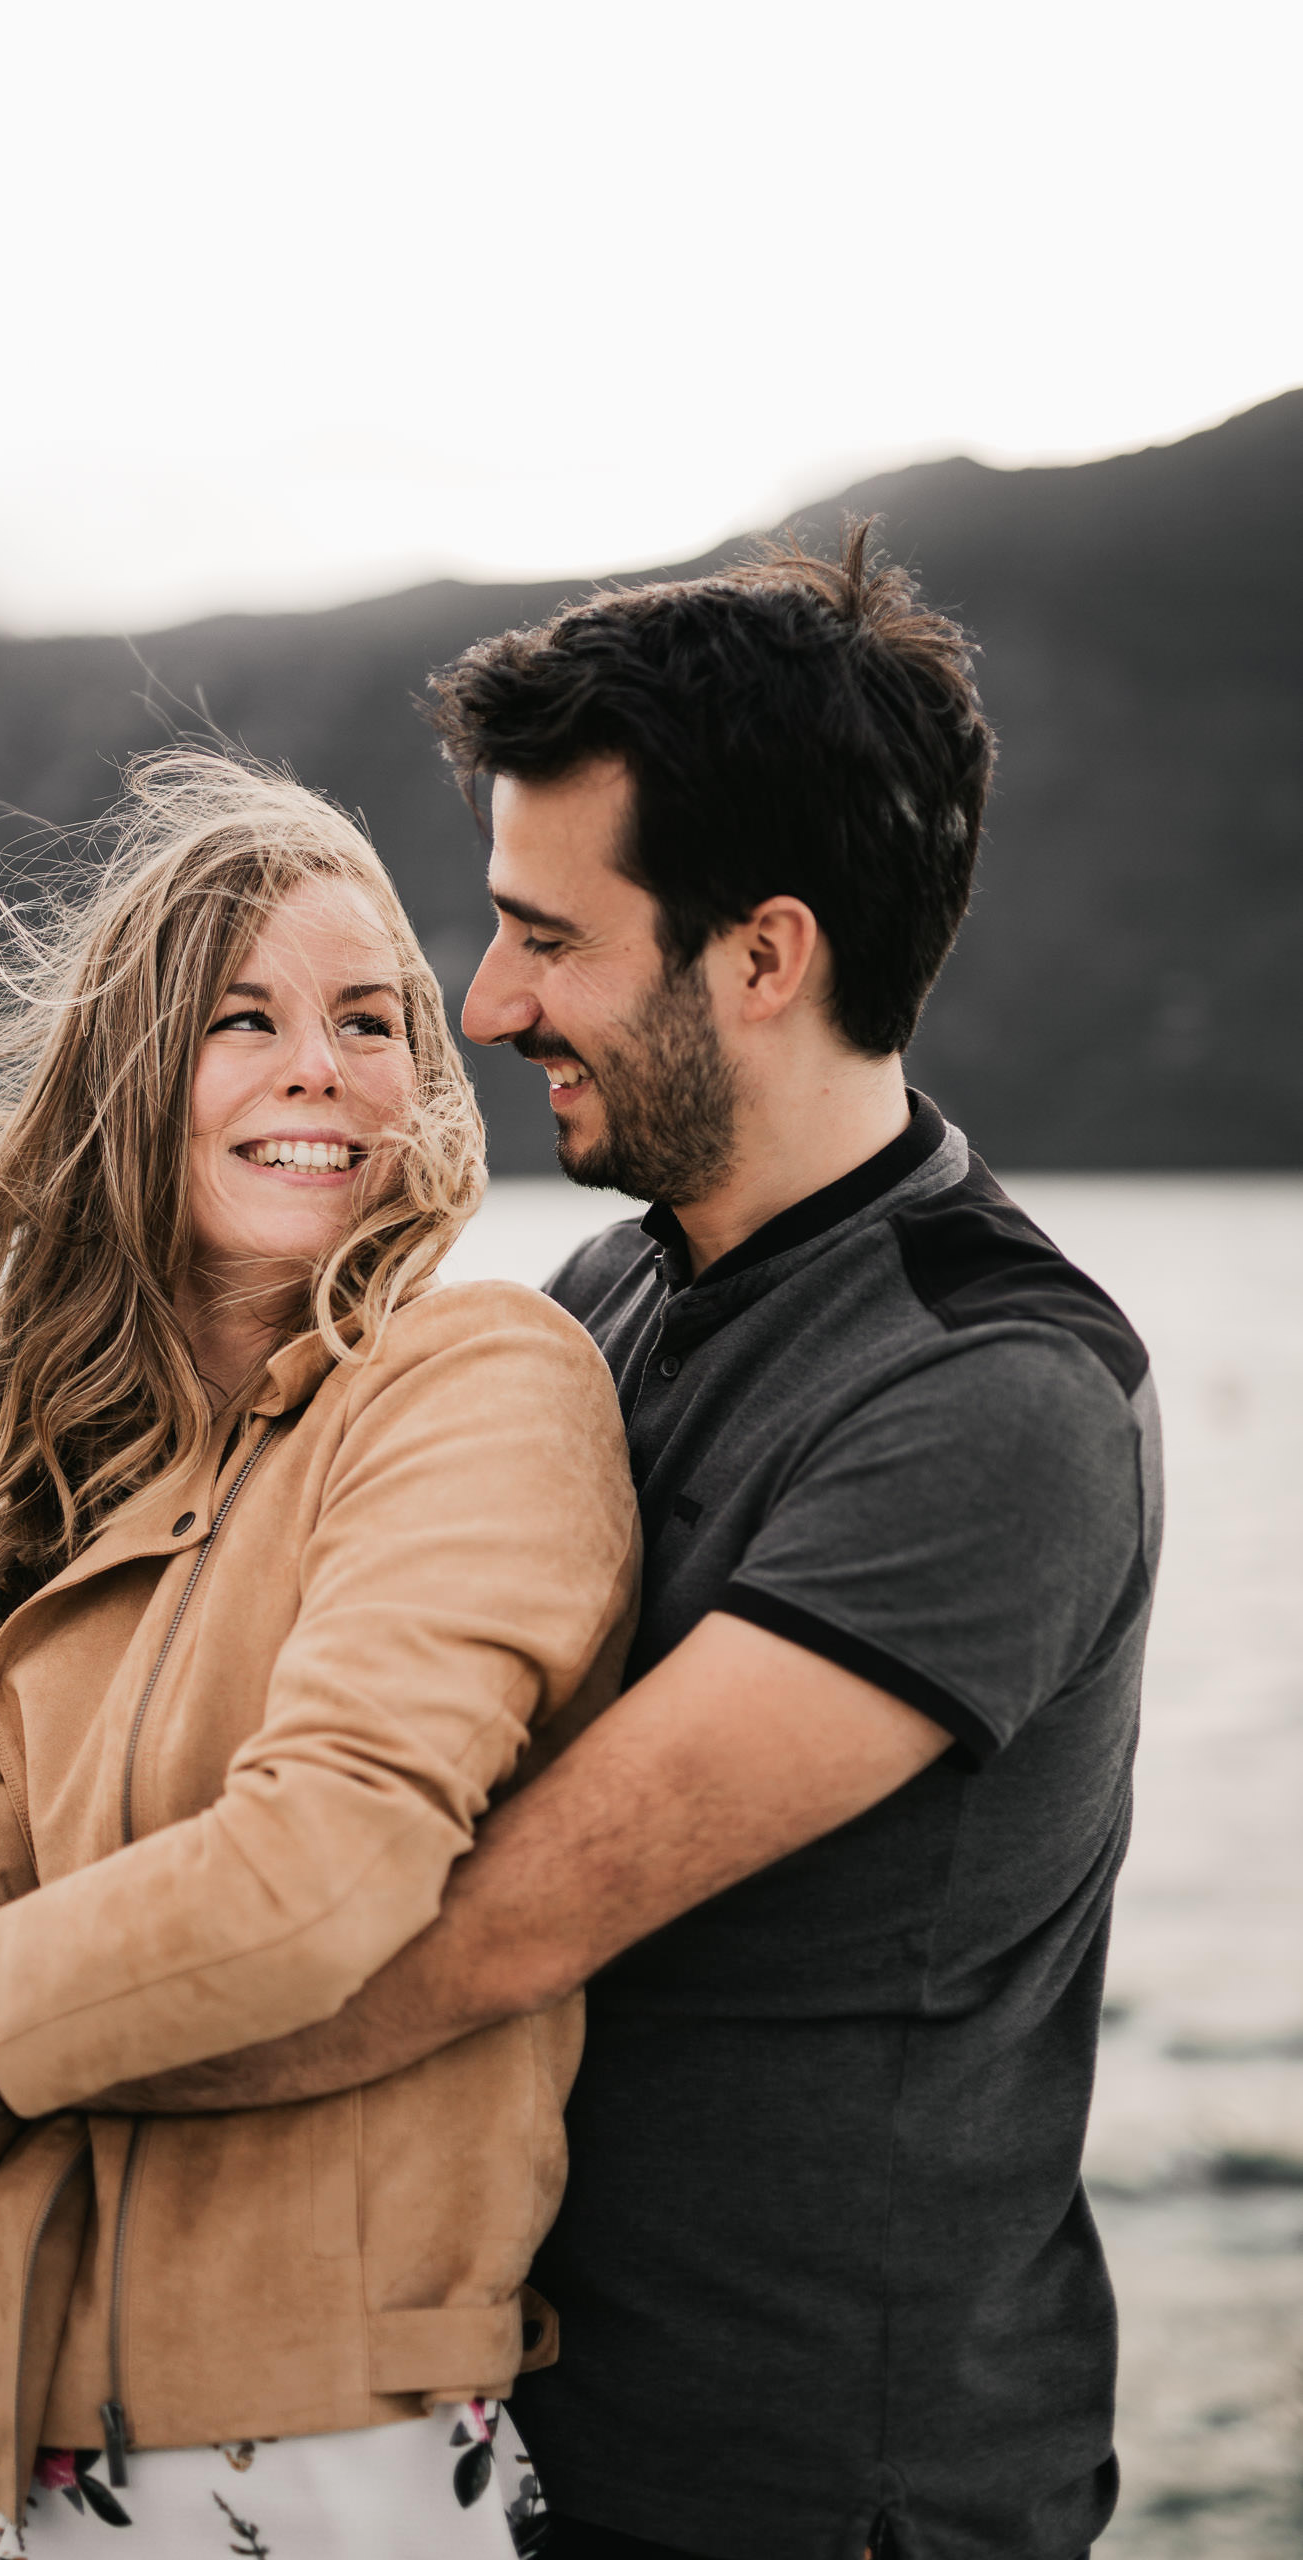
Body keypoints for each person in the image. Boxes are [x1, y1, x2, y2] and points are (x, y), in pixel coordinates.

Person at [106, 534, 1162, 2560]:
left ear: (761, 955)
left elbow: (482, 1925)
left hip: (810, 2494)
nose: (483, 1001)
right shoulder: (601, 1292)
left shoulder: (990, 1400)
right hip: (512, 2440)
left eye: (543, 933)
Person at [0, 753, 639, 2558]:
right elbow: (46, 1996)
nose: (318, 1063)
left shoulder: (476, 1378)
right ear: (136, 1081)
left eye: (371, 1019)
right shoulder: (84, 1489)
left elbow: (316, 1881)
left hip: (318, 2446)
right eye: (243, 1017)